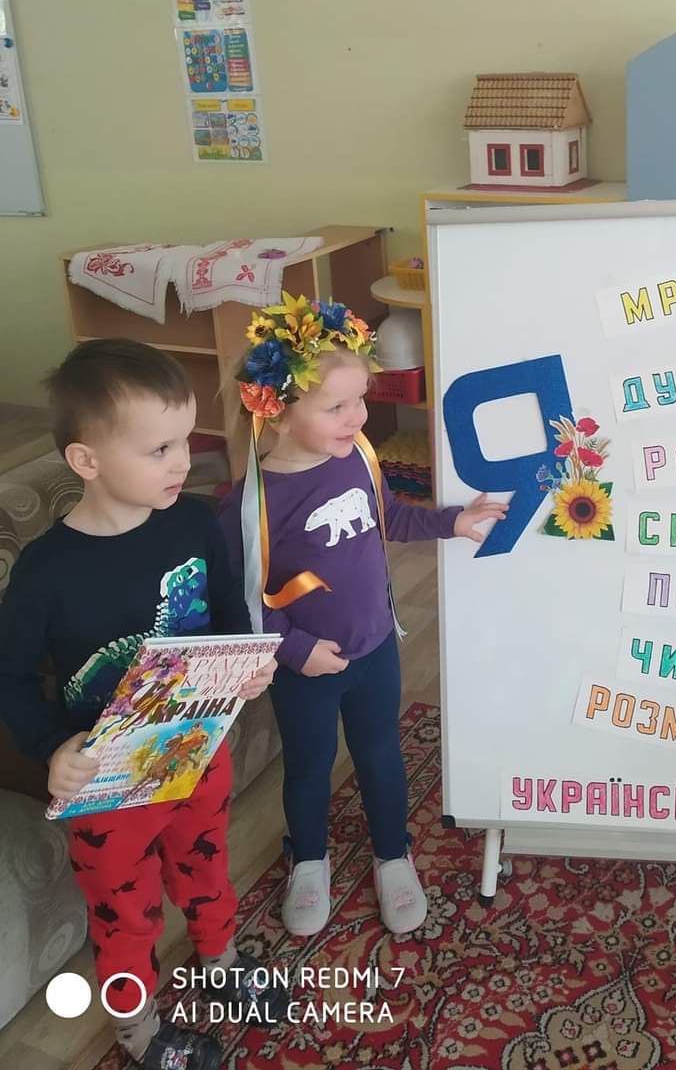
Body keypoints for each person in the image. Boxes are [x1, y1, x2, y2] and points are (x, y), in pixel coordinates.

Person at [0, 340, 282, 1070]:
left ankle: (221, 964)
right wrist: (51, 749)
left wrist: (245, 662)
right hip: (108, 789)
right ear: (86, 460)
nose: (183, 461)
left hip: (197, 752)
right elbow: (9, 677)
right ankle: (141, 1033)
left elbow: (227, 609)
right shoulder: (44, 573)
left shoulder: (194, 522)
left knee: (207, 871)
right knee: (125, 918)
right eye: (159, 448)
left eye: (184, 439)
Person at [219, 293, 505, 938]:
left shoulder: (358, 458)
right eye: (338, 407)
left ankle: (392, 854)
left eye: (361, 400)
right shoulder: (249, 504)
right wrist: (297, 652)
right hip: (306, 668)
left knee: (380, 754)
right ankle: (309, 859)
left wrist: (452, 522)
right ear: (278, 411)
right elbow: (242, 602)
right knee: (309, 764)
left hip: (375, 647)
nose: (359, 417)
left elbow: (390, 517)